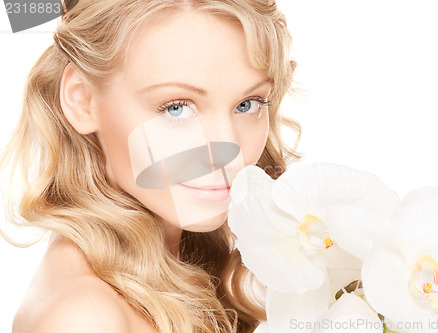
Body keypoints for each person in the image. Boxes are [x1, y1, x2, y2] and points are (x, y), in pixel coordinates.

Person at [0, 0, 301, 332]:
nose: (226, 150)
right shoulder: (85, 318)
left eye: (247, 104)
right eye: (176, 108)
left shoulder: (187, 266)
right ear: (82, 99)